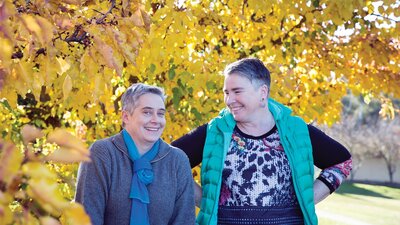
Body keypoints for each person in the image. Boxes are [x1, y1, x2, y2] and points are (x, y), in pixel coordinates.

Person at [171, 58, 352, 225]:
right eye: (226, 92)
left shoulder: (296, 131)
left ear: (262, 92)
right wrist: (206, 201)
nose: (229, 100)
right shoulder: (215, 131)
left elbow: (342, 162)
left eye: (237, 91)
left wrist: (307, 198)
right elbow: (167, 162)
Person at [75, 83, 195, 225]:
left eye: (161, 113)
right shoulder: (102, 153)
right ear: (126, 116)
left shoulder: (177, 160)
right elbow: (86, 218)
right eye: (147, 112)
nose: (156, 120)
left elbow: (184, 221)